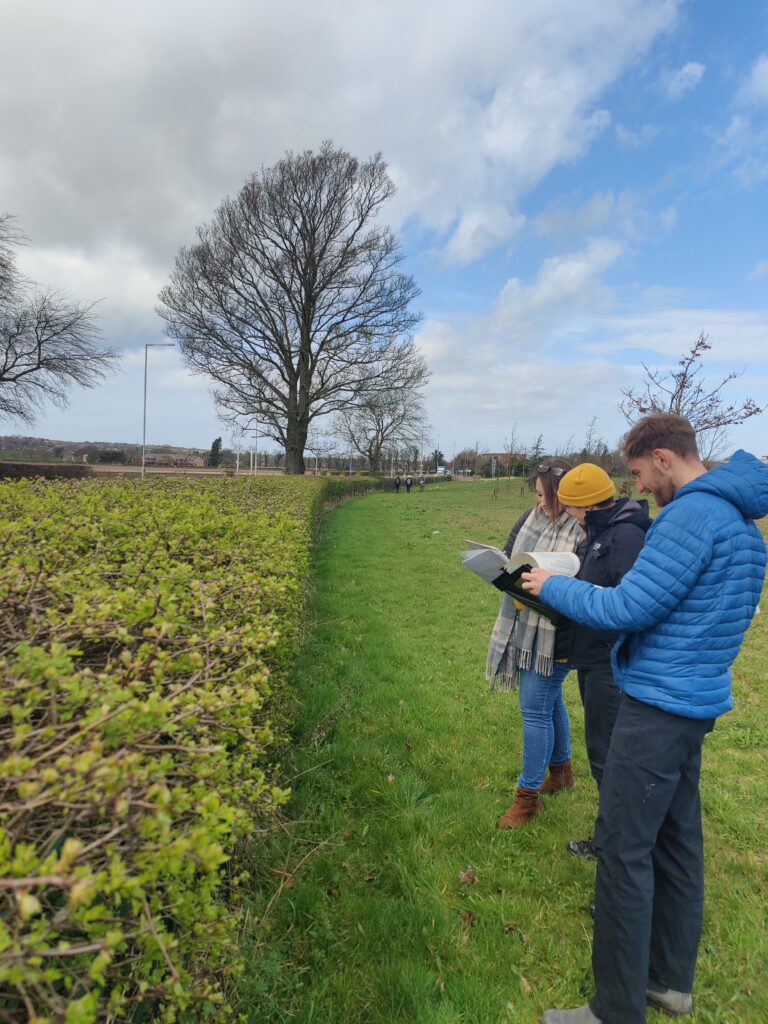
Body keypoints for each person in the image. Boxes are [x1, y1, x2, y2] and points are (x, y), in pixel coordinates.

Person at [521, 415, 767, 1024]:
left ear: (663, 457)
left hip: (656, 705)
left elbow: (627, 606)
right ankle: (668, 983)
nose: (637, 486)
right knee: (678, 843)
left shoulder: (692, 514)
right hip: (695, 699)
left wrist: (550, 585)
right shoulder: (741, 520)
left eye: (636, 472)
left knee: (625, 852)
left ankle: (613, 1009)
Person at [556, 463, 651, 860]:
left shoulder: (625, 537)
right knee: (602, 748)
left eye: (571, 507)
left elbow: (625, 604)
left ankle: (615, 845)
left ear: (586, 506)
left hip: (610, 662)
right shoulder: (599, 532)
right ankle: (612, 837)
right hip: (592, 654)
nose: (569, 516)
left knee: (609, 752)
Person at [487, 459, 584, 828]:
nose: (540, 504)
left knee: (534, 709)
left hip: (558, 633)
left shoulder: (583, 526)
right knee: (550, 700)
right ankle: (561, 774)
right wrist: (499, 570)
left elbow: (587, 581)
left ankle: (526, 800)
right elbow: (509, 553)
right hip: (526, 621)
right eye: (538, 496)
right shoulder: (530, 517)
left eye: (545, 497)